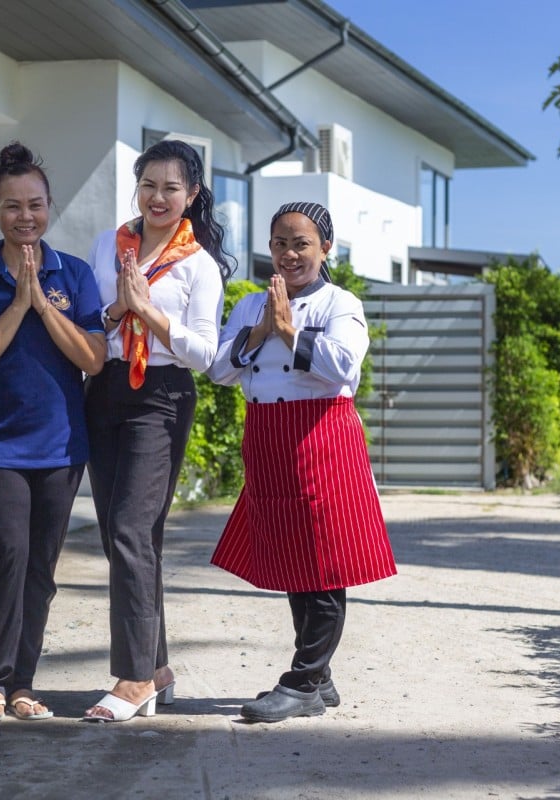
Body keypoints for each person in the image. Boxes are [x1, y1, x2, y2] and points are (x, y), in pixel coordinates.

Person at [206, 201, 397, 723]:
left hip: (321, 437)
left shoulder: (340, 303)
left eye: (301, 244)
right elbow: (219, 370)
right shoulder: (252, 305)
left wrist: (289, 331)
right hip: (267, 438)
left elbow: (342, 366)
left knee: (325, 560)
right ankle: (320, 676)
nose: (289, 255)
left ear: (325, 248)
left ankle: (303, 682)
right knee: (294, 558)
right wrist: (261, 330)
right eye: (279, 244)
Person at [0, 143, 106, 723]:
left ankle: (23, 685)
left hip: (60, 447)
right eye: (12, 206)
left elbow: (93, 357)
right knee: (5, 560)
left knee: (40, 570)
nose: (25, 216)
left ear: (49, 206)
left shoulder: (75, 274)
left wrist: (44, 304)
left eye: (35, 204)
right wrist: (18, 305)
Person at [82, 139, 233, 722]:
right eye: (148, 185)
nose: (158, 197)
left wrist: (149, 312)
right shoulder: (109, 245)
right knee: (124, 536)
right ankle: (158, 666)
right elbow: (90, 323)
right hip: (105, 390)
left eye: (172, 188)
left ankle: (134, 678)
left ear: (191, 195)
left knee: (131, 529)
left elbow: (205, 354)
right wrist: (119, 310)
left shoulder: (199, 265)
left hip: (162, 396)